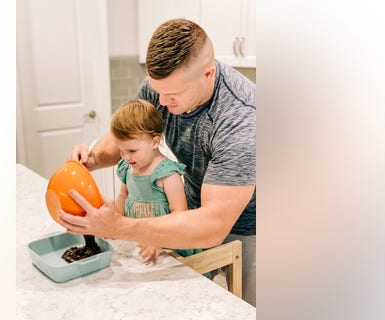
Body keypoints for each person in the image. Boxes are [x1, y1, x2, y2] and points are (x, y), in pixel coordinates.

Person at [60, 18, 256, 305]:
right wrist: (92, 158)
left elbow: (213, 226)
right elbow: (130, 134)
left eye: (172, 95)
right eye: (157, 90)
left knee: (246, 307)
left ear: (208, 73)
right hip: (197, 210)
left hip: (254, 226)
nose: (161, 103)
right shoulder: (164, 85)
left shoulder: (241, 121)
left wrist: (117, 226)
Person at [110, 99, 202, 263]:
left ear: (155, 141)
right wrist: (115, 222)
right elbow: (123, 196)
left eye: (131, 150)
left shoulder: (167, 175)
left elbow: (179, 214)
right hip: (140, 242)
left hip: (170, 247)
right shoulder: (127, 168)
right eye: (121, 150)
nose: (125, 156)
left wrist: (158, 240)